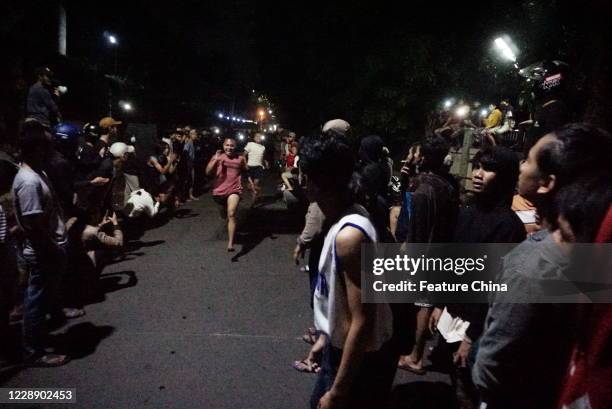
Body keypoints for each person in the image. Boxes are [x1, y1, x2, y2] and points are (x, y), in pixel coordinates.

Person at [473, 123, 612, 409]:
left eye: (527, 160)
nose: (521, 167)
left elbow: (491, 369)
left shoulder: (531, 265)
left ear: (547, 182)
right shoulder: (594, 251)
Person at [300, 135, 396, 409]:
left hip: (356, 361)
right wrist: (327, 336)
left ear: (315, 184)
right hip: (339, 348)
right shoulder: (347, 215)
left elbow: (363, 319)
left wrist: (339, 392)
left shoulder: (349, 236)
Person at [397, 135, 458, 375]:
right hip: (442, 249)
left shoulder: (424, 189)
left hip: (426, 253)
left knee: (423, 302)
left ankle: (416, 356)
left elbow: (419, 229)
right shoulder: (447, 183)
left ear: (423, 157)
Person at [12, 120, 70, 366]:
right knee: (35, 302)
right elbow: (34, 226)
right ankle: (33, 351)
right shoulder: (28, 181)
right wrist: (53, 250)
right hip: (43, 250)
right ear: (37, 149)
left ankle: (39, 341)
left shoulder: (38, 173)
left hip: (50, 246)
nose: (51, 152)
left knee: (42, 298)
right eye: (47, 147)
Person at [206, 137, 247, 252]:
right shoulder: (218, 156)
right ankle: (225, 213)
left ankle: (230, 243)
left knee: (231, 213)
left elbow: (245, 170)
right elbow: (207, 171)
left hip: (234, 189)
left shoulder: (240, 158)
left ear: (235, 146)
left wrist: (251, 183)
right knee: (225, 213)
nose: (229, 147)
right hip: (219, 190)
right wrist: (216, 160)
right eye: (227, 145)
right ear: (223, 146)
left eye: (231, 145)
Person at [243, 133, 267, 204]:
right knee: (249, 186)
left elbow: (262, 157)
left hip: (258, 167)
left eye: (260, 136)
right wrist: (245, 164)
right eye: (257, 136)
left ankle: (252, 204)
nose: (259, 137)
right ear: (254, 138)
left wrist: (265, 163)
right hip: (250, 167)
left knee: (254, 185)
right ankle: (256, 190)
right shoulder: (250, 144)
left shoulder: (263, 147)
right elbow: (243, 155)